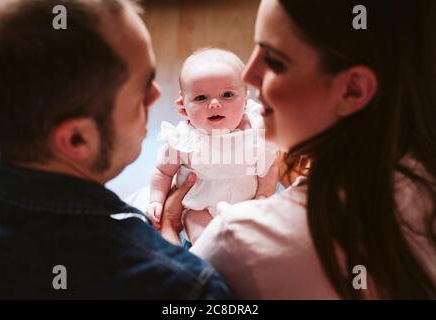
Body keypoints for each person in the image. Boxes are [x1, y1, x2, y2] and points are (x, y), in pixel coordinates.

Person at [160, 0, 436, 299]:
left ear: (352, 89)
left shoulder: (236, 240)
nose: (249, 76)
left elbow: (174, 301)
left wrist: (169, 229)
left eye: (275, 61)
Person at [0, 0, 232, 299]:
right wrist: (168, 232)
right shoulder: (180, 286)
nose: (156, 94)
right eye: (142, 88)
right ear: (78, 139)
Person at [147, 48, 278, 244]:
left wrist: (262, 197)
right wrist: (156, 201)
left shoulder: (256, 132)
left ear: (245, 98)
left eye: (227, 95)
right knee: (204, 239)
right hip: (201, 209)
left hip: (246, 205)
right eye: (201, 98)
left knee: (259, 240)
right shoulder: (184, 140)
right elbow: (162, 172)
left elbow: (268, 167)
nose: (215, 104)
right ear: (183, 102)